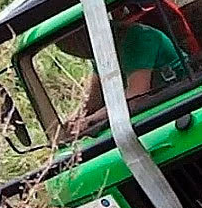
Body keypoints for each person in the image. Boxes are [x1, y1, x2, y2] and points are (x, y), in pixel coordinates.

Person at [61, 8, 187, 137]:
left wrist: (92, 119)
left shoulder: (139, 39)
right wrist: (76, 119)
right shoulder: (102, 52)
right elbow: (94, 98)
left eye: (69, 44)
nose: (72, 50)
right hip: (149, 110)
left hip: (179, 102)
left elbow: (136, 96)